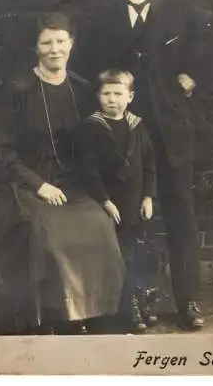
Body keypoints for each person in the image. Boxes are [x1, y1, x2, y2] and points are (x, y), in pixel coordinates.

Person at [73, 0, 213, 331]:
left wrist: (188, 81)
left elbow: (210, 53)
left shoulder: (183, 11)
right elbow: (87, 69)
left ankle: (189, 299)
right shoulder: (102, 18)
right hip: (124, 137)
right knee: (131, 222)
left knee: (180, 215)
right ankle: (134, 303)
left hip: (171, 133)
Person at [0, 12, 125, 335]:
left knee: (100, 225)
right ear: (36, 48)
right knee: (50, 231)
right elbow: (4, 152)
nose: (54, 49)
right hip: (31, 183)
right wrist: (38, 185)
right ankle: (57, 316)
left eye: (60, 41)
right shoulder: (18, 91)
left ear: (71, 44)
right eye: (46, 42)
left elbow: (95, 141)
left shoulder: (82, 89)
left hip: (74, 184)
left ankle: (93, 314)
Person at [76, 69, 157, 333]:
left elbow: (149, 164)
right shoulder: (92, 127)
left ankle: (138, 300)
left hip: (134, 202)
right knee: (116, 254)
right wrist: (105, 200)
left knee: (135, 252)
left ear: (130, 96)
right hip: (108, 203)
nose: (112, 99)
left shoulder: (137, 125)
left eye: (118, 94)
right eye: (106, 93)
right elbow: (88, 169)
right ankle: (126, 309)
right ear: (98, 96)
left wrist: (148, 196)